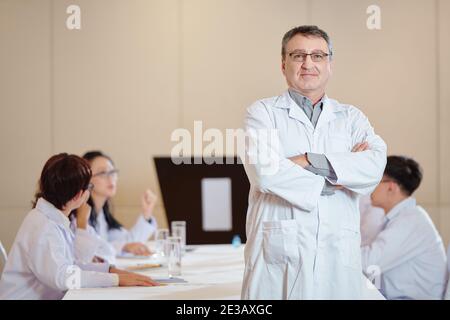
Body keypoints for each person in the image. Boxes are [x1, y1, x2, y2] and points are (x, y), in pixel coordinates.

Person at [241, 25, 387, 299]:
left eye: (318, 55)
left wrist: (306, 160)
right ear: (283, 64)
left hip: (338, 255)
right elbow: (265, 173)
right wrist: (341, 175)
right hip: (279, 256)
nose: (308, 63)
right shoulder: (261, 113)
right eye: (298, 55)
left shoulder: (351, 117)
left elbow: (373, 167)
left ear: (329, 64)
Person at [0, 153, 158, 300]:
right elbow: (63, 277)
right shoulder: (44, 226)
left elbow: (71, 263)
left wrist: (109, 270)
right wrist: (115, 279)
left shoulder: (53, 218)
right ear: (78, 195)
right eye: (88, 187)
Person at [361, 156, 447, 300]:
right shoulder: (401, 219)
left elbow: (368, 262)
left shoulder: (411, 221)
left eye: (376, 181)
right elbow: (372, 270)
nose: (370, 188)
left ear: (391, 186)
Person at [71, 151, 157, 263]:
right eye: (102, 173)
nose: (110, 178)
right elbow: (91, 252)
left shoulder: (101, 214)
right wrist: (122, 247)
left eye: (112, 172)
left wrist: (147, 213)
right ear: (86, 179)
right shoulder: (79, 215)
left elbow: (129, 242)